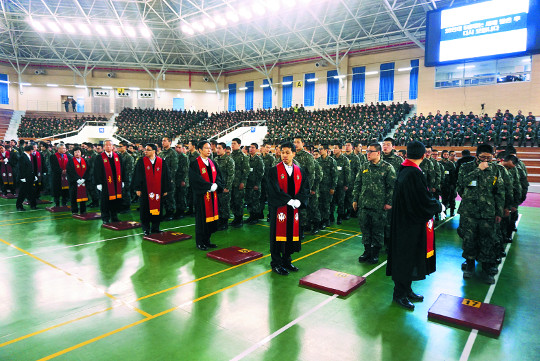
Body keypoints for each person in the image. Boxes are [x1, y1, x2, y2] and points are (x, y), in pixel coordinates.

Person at [386, 141, 442, 310]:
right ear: (424, 155)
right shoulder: (412, 173)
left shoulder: (406, 170)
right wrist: (437, 205)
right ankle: (399, 294)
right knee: (404, 258)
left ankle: (407, 290)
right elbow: (421, 200)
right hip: (408, 225)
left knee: (408, 258)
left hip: (407, 222)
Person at [457, 144, 504, 284]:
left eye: (489, 158)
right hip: (469, 211)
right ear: (477, 156)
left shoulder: (496, 169)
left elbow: (499, 191)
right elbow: (461, 183)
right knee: (469, 239)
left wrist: (499, 212)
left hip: (488, 212)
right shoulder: (466, 167)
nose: (486, 160)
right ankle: (469, 265)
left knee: (487, 240)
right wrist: (478, 170)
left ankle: (485, 268)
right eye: (483, 157)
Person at [266, 141, 309, 275]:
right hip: (280, 210)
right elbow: (273, 190)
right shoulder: (274, 171)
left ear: (293, 154)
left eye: (287, 153)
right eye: (282, 152)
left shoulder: (300, 171)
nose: (284, 155)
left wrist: (299, 201)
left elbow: (305, 189)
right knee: (277, 237)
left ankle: (287, 260)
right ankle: (276, 263)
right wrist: (288, 200)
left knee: (291, 234)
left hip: (293, 209)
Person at [352, 143, 396, 264]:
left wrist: (388, 202)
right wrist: (355, 199)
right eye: (367, 151)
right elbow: (357, 183)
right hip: (364, 205)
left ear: (378, 153)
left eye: (371, 151)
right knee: (365, 229)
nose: (368, 154)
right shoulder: (364, 166)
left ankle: (375, 253)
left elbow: (392, 187)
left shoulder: (387, 168)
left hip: (379, 206)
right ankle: (366, 251)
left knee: (377, 231)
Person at [188, 140, 224, 250]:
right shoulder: (195, 164)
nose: (209, 150)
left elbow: (218, 176)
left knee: (211, 220)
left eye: (210, 148)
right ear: (199, 150)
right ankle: (200, 242)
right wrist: (208, 186)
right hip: (202, 197)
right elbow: (195, 180)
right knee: (201, 220)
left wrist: (217, 185)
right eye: (206, 148)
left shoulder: (213, 163)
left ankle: (207, 241)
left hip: (212, 196)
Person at [133, 143, 171, 236]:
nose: (145, 151)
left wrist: (165, 189)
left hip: (158, 191)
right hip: (145, 190)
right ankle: (146, 228)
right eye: (145, 149)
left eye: (148, 150)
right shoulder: (141, 161)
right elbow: (137, 175)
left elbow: (166, 176)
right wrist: (137, 188)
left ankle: (155, 227)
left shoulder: (162, 162)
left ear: (154, 151)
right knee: (145, 209)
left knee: (158, 209)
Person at [94, 140, 124, 224]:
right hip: (104, 183)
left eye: (110, 145)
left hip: (116, 183)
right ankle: (105, 218)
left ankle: (114, 217)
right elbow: (96, 171)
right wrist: (98, 183)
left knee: (115, 201)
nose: (108, 146)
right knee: (105, 201)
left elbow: (122, 169)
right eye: (106, 145)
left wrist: (122, 181)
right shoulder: (99, 157)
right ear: (104, 147)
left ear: (112, 146)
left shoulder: (118, 156)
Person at [66, 147, 90, 215]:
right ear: (73, 153)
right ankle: (74, 211)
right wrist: (77, 179)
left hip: (84, 182)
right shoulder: (70, 161)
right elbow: (70, 172)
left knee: (84, 196)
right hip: (74, 182)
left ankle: (83, 210)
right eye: (75, 152)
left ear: (81, 153)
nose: (77, 153)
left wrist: (84, 178)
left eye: (78, 152)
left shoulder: (85, 161)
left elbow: (88, 170)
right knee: (74, 196)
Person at [16, 145, 37, 211]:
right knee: (23, 192)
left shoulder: (28, 156)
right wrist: (22, 177)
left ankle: (33, 205)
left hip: (30, 177)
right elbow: (21, 168)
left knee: (31, 192)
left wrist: (34, 176)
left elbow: (29, 168)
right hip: (25, 178)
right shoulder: (22, 157)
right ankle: (19, 205)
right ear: (30, 150)